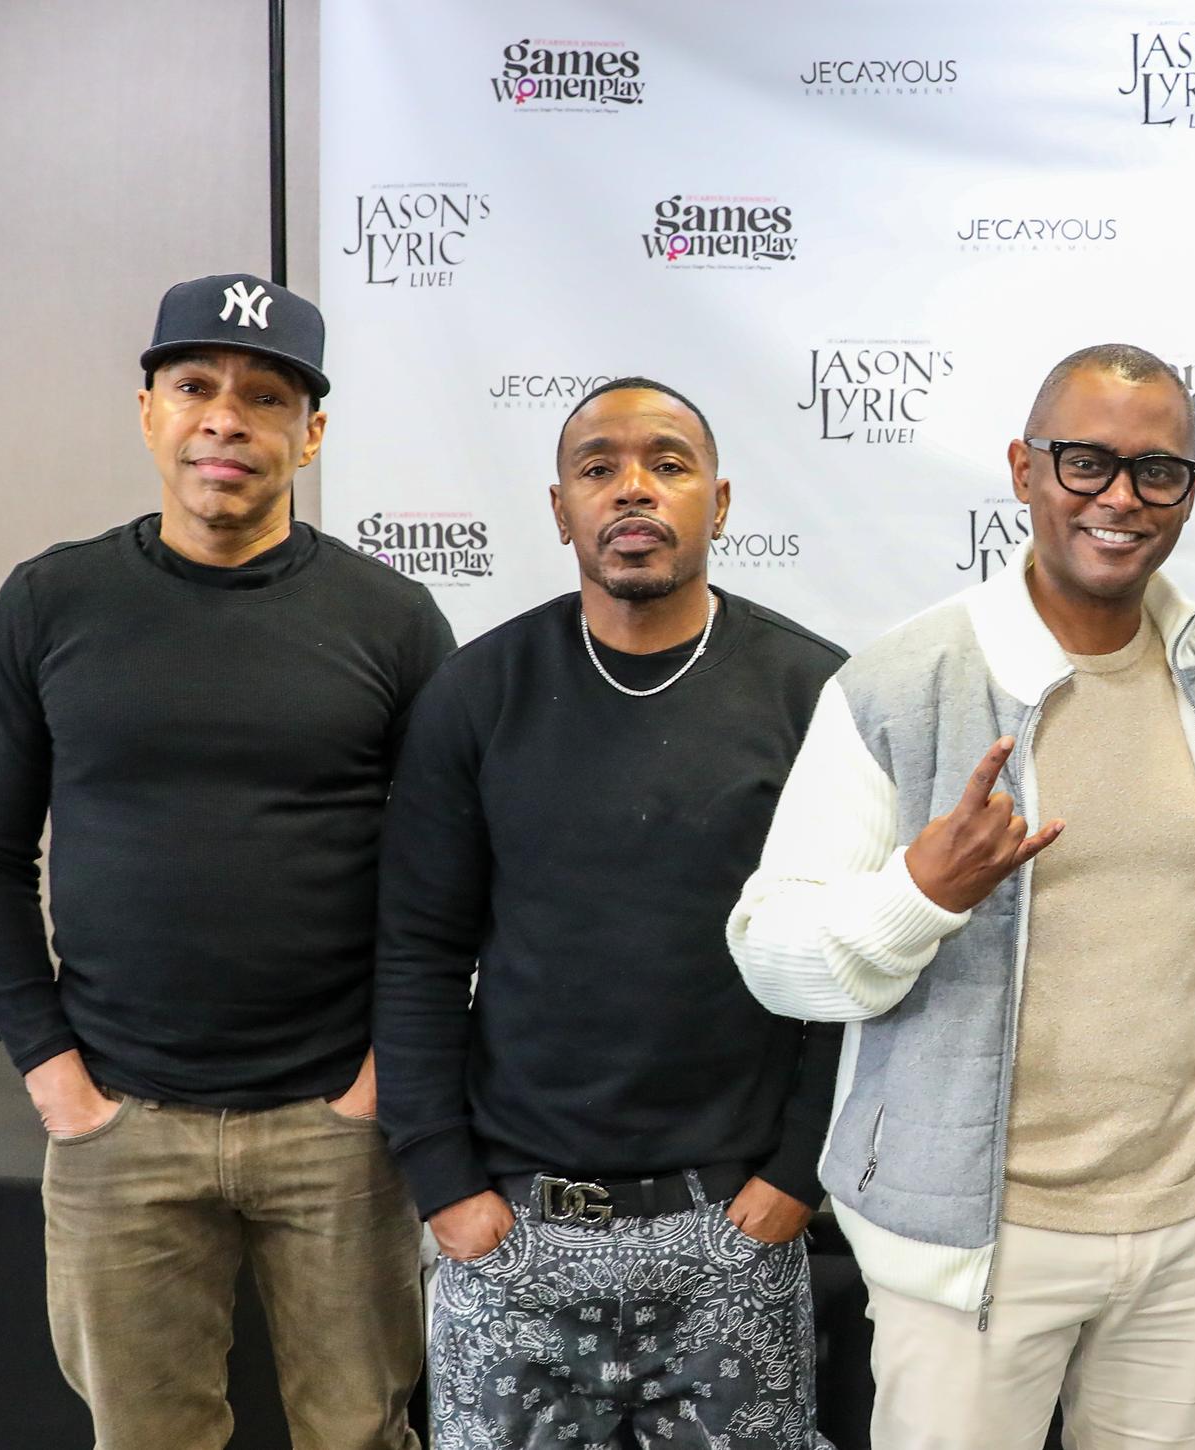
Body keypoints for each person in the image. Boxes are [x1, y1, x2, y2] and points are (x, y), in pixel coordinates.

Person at [729, 343, 1195, 1448]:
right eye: (1085, 462)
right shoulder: (903, 683)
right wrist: (920, 894)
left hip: (1186, 1235)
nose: (1120, 498)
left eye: (1157, 472)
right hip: (971, 1250)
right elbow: (770, 950)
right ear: (1023, 469)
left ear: (1189, 493)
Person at [0, 273, 448, 1449]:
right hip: (121, 1120)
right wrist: (52, 1075)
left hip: (338, 1126)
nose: (227, 417)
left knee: (358, 1434)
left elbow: (446, 876)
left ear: (310, 434)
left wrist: (382, 1079)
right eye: (195, 386)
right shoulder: (50, 604)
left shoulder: (392, 620)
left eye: (267, 397)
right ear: (149, 411)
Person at [373, 377, 843, 1448]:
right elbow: (417, 954)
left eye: (669, 463)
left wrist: (793, 1180)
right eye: (600, 467)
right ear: (560, 508)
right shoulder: (477, 693)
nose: (634, 488)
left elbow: (853, 967)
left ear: (719, 503)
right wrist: (444, 1184)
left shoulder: (812, 693)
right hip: (515, 1234)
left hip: (730, 1229)